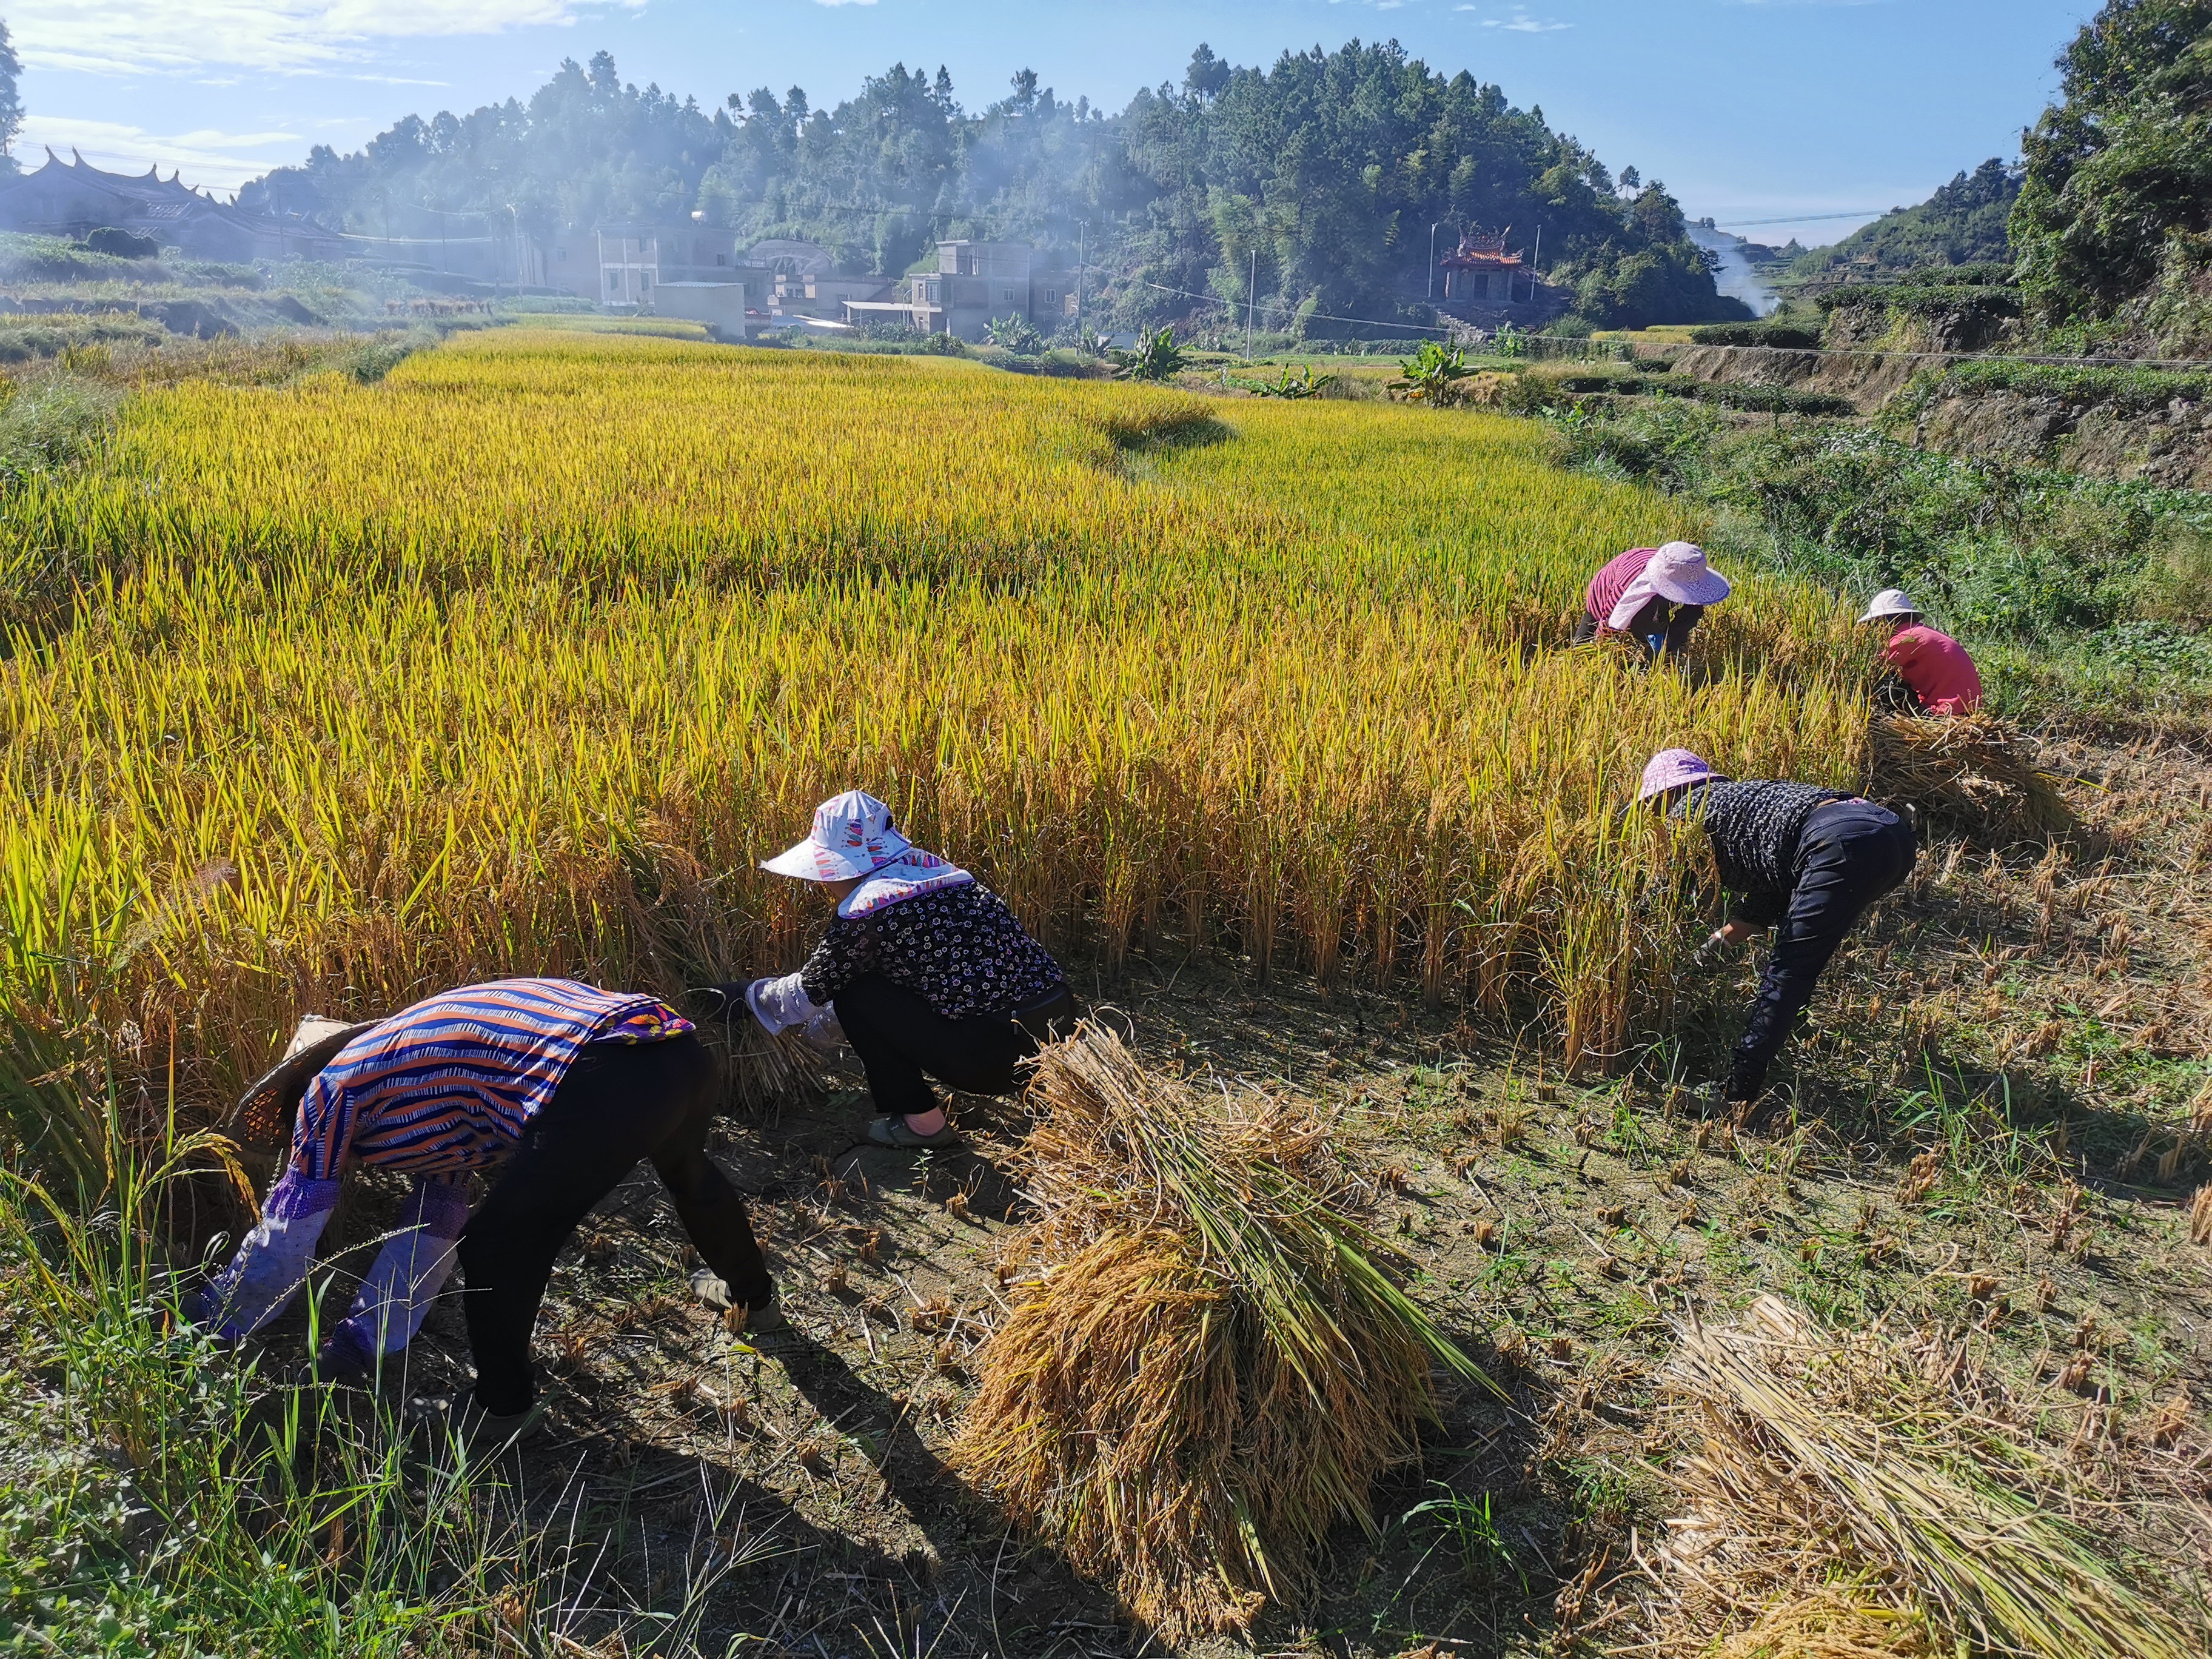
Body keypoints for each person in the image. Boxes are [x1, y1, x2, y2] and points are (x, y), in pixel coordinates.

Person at [194, 977, 777, 1450]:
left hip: (599, 1069)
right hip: (667, 1045)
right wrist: (368, 1338)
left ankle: (504, 1412)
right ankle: (754, 1299)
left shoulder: (330, 1091)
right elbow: (437, 1211)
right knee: (689, 1176)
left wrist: (217, 1317)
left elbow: (294, 1218)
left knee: (496, 1247)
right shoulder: (411, 1067)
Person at [737, 790, 1078, 1151]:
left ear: (842, 867)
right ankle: (1044, 1094)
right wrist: (815, 1041)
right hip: (1060, 1036)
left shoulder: (868, 912)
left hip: (993, 1059)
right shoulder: (948, 878)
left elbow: (805, 997)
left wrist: (745, 997)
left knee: (857, 993)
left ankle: (923, 1125)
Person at [1637, 749, 1917, 1114]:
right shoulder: (1748, 811)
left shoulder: (1689, 812)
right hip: (1890, 834)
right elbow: (1753, 917)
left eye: (1653, 809)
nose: (1656, 820)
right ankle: (1789, 1035)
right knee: (1803, 955)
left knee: (1791, 968)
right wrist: (1697, 962)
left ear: (1665, 796)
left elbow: (1662, 895)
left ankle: (1735, 1094)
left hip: (1839, 840)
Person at [1571, 541, 1732, 662]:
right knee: (1582, 643)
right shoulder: (1624, 590)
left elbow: (1693, 608)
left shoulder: (1682, 568)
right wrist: (1599, 655)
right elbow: (1608, 626)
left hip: (1660, 575)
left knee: (1665, 626)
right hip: (1606, 588)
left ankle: (1658, 652)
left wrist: (1674, 639)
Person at [1859, 588, 1983, 716]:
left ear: (1887, 621)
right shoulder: (1923, 632)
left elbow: (1872, 670)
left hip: (1945, 710)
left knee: (1885, 684)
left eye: (1875, 624)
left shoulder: (1908, 638)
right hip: (1966, 709)